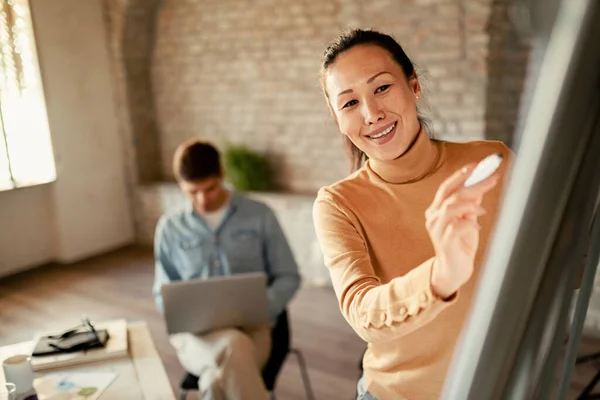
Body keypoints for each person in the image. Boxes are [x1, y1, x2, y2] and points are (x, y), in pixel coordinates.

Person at [312, 29, 512, 400]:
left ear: (414, 86)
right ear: (338, 119)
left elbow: (557, 258)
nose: (372, 114)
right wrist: (441, 276)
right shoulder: (337, 204)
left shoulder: (490, 163)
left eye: (382, 88)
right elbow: (362, 312)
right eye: (350, 103)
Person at [153, 139, 301, 400]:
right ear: (181, 186)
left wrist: (261, 308)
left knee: (215, 379)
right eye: (192, 192)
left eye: (209, 189)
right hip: (196, 337)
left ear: (221, 174)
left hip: (254, 330)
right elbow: (161, 292)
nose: (202, 200)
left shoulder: (260, 215)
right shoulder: (169, 228)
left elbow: (288, 275)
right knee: (233, 347)